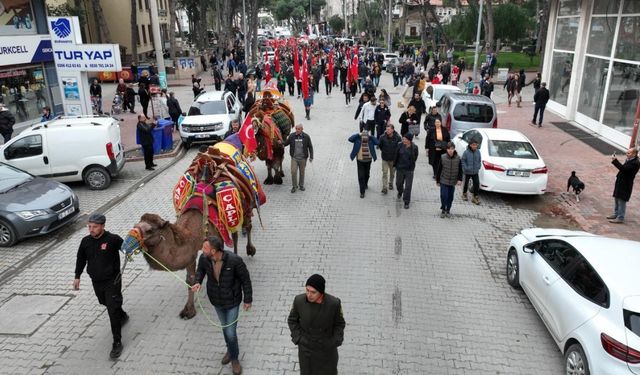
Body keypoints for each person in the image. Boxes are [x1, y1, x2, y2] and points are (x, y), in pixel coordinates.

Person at [191, 236, 252, 375]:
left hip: (232, 302)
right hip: (217, 301)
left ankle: (234, 359)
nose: (202, 250)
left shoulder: (235, 260)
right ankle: (230, 350)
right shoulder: (204, 259)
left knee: (230, 332)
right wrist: (197, 281)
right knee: (225, 329)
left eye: (205, 248)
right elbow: (200, 271)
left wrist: (248, 300)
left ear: (213, 251)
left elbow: (245, 280)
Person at [73, 214, 128, 359]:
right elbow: (81, 259)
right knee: (104, 302)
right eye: (89, 226)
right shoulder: (85, 241)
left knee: (111, 310)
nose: (91, 229)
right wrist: (77, 276)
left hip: (112, 280)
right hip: (96, 281)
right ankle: (121, 313)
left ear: (103, 226)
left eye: (95, 227)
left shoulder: (113, 239)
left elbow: (126, 249)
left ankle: (117, 342)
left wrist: (133, 247)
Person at [288, 274, 345, 375]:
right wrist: (299, 338)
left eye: (313, 292)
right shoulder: (299, 300)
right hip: (306, 351)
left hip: (326, 351)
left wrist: (334, 341)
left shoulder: (334, 304)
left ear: (321, 292)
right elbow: (292, 320)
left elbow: (339, 324)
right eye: (307, 290)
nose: (309, 295)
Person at [607, 148, 640, 224]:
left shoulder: (635, 163)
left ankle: (620, 217)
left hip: (626, 184)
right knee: (616, 198)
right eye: (627, 152)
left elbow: (624, 169)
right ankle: (616, 214)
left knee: (622, 200)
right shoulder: (629, 159)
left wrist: (615, 161)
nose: (626, 154)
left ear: (634, 154)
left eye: (629, 153)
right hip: (621, 181)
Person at [284, 124, 314, 193]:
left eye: (298, 129)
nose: (297, 130)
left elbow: (310, 147)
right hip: (294, 158)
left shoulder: (306, 136)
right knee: (293, 172)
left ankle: (301, 185)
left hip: (303, 158)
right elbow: (286, 143)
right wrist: (281, 143)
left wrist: (311, 157)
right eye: (296, 129)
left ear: (302, 129)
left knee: (302, 172)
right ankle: (294, 186)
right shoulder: (292, 136)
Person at [349, 130, 379, 198]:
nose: (365, 138)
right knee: (361, 176)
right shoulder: (357, 139)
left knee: (367, 174)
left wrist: (371, 136)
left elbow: (377, 142)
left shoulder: (371, 140)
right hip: (360, 160)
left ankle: (365, 184)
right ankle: (362, 192)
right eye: (363, 136)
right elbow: (350, 139)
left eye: (366, 136)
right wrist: (357, 134)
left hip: (368, 160)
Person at [436, 142, 462, 218]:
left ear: (454, 149)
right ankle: (443, 209)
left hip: (453, 181)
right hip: (444, 180)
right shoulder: (443, 157)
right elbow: (439, 169)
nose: (450, 150)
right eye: (449, 149)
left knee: (450, 197)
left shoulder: (458, 158)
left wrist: (459, 179)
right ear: (446, 150)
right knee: (444, 195)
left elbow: (460, 170)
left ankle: (448, 210)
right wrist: (438, 180)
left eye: (452, 149)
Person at [393, 132, 419, 209]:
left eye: (405, 139)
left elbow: (415, 157)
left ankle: (406, 201)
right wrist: (394, 165)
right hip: (400, 168)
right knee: (398, 183)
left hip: (409, 170)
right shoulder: (399, 145)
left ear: (409, 140)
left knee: (408, 187)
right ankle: (400, 191)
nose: (403, 140)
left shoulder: (414, 147)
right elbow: (396, 155)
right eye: (403, 138)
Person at [379, 124, 401, 194]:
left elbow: (399, 148)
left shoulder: (398, 138)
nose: (387, 131)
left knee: (392, 173)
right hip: (385, 158)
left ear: (392, 130)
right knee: (384, 173)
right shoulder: (382, 137)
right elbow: (380, 146)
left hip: (393, 160)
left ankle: (391, 183)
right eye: (386, 129)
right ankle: (384, 187)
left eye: (388, 129)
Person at [461, 138, 482, 204]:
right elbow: (463, 160)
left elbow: (479, 160)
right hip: (467, 171)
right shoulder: (466, 152)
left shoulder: (478, 151)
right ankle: (464, 194)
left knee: (476, 184)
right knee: (466, 184)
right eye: (473, 145)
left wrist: (478, 166)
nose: (475, 146)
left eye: (476, 145)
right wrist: (465, 168)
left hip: (475, 171)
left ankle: (475, 197)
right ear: (470, 145)